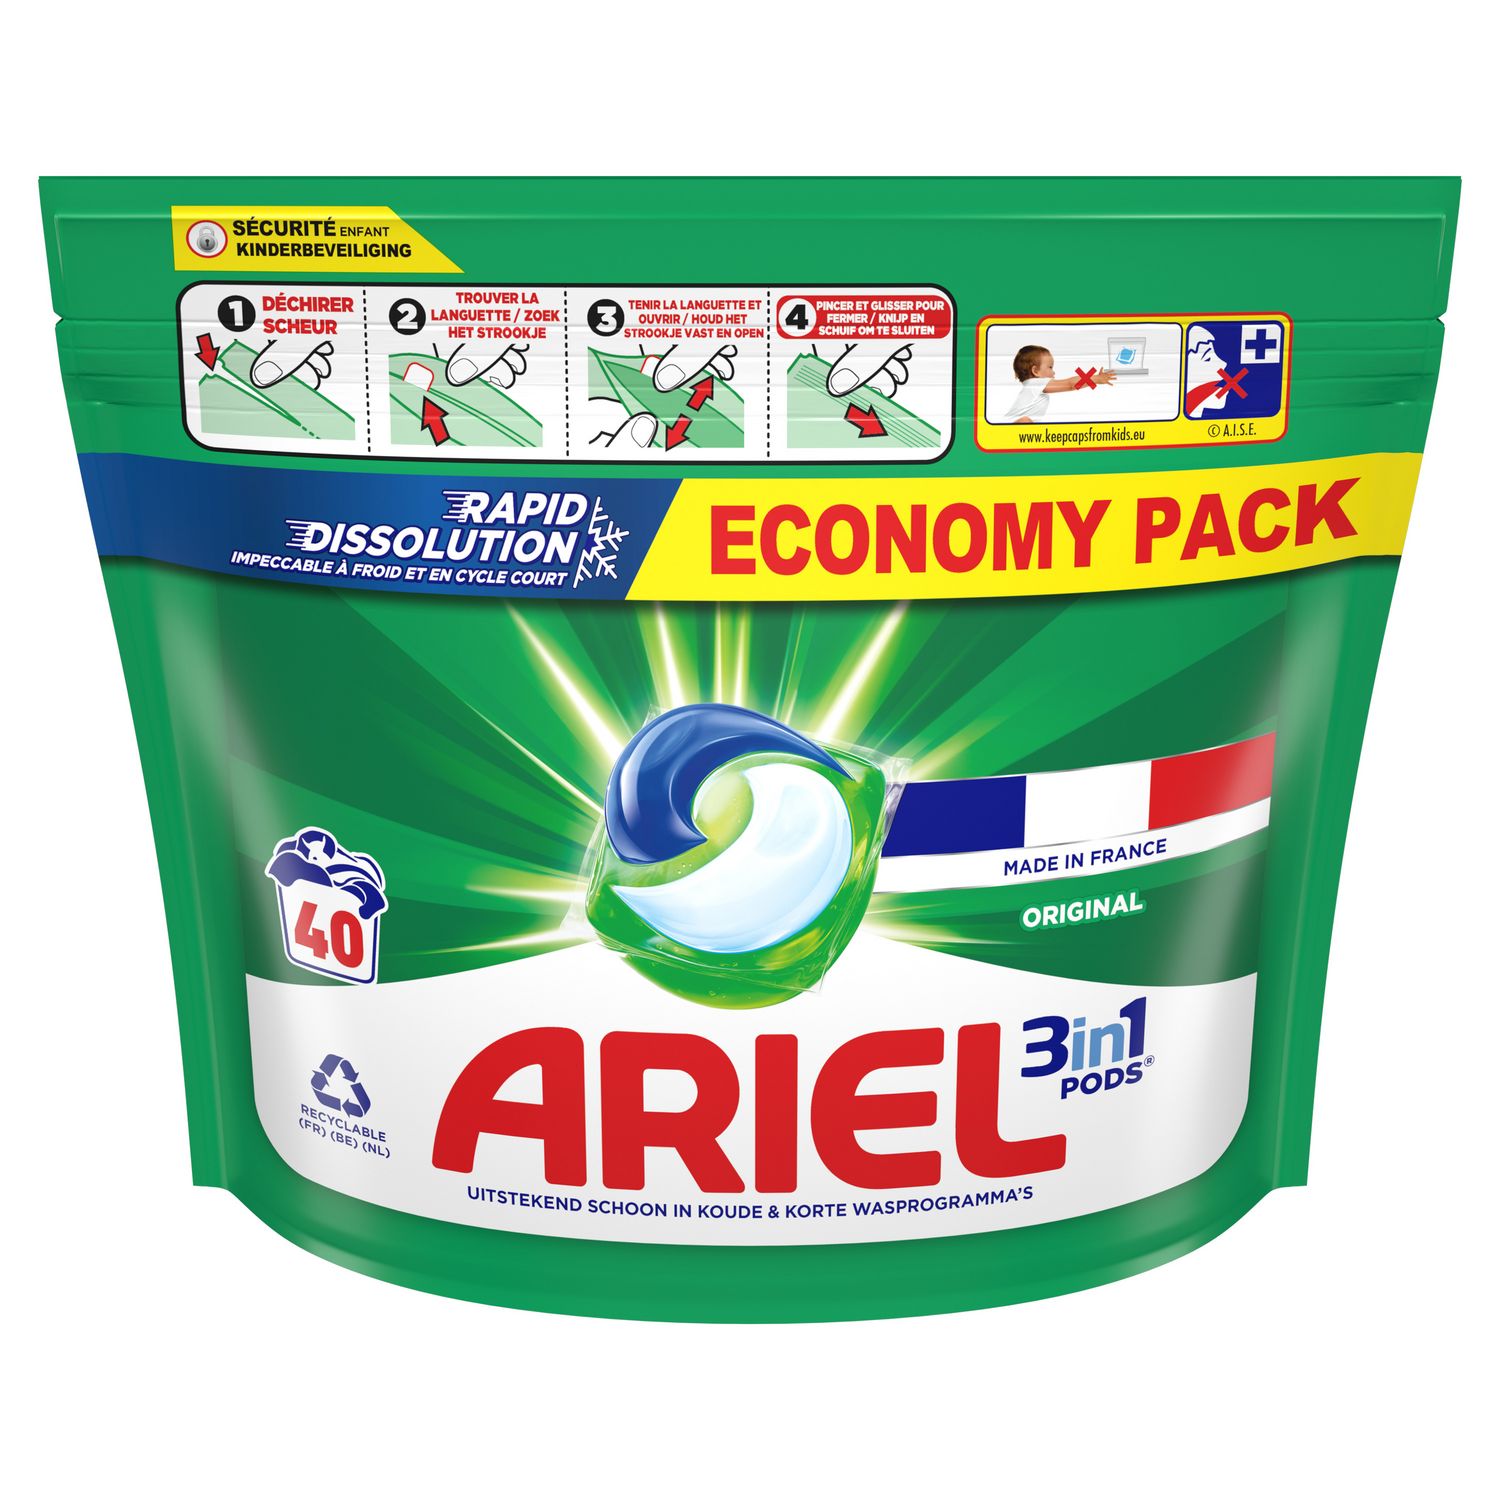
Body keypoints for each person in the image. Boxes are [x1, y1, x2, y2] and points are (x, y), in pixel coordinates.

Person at [1003, 345, 1116, 422]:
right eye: (1050, 367)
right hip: (1015, 425)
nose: (1053, 372)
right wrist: (1096, 378)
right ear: (1035, 371)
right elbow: (1070, 384)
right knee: (1025, 421)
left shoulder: (1031, 386)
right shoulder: (1036, 383)